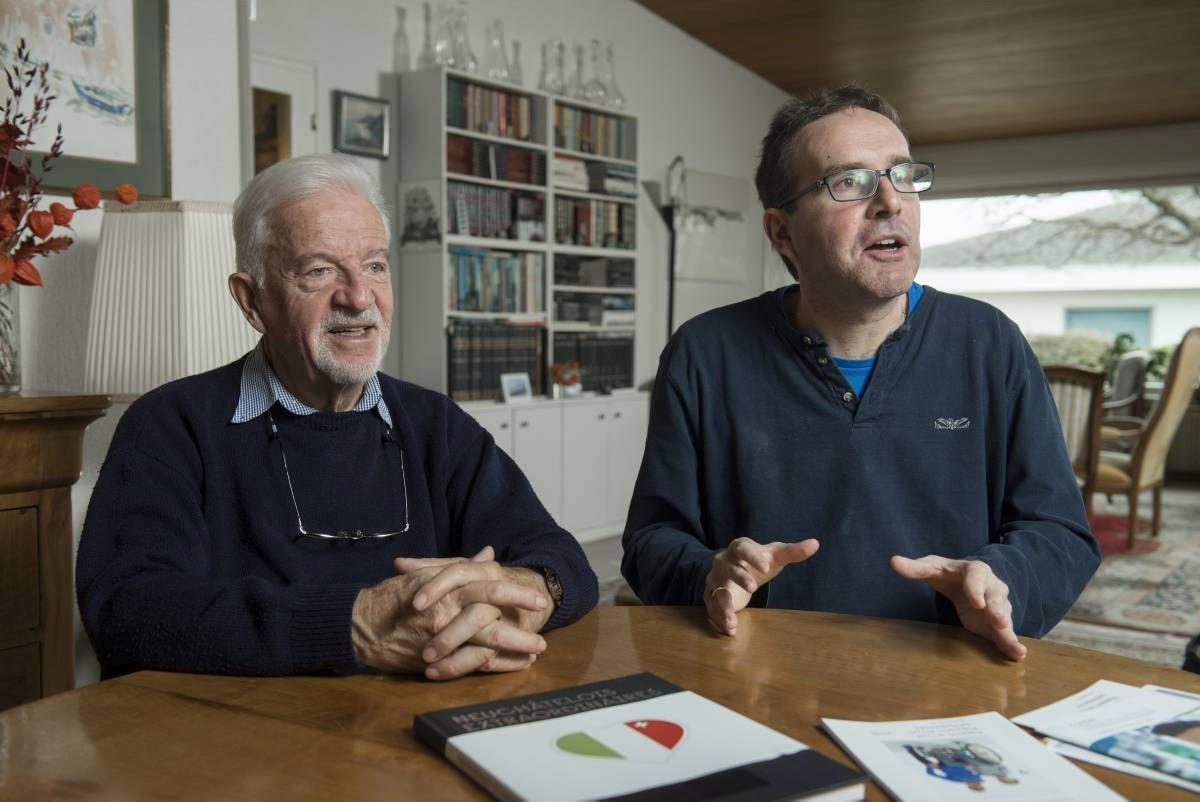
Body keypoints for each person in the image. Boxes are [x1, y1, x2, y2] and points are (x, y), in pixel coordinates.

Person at [621, 86, 1099, 660]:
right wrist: (711, 575)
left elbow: (1061, 534)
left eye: (902, 175)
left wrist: (1001, 579)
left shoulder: (989, 342)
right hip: (759, 678)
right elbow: (652, 540)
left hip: (947, 678)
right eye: (849, 182)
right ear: (781, 232)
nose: (890, 202)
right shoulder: (704, 352)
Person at [77, 154, 597, 681]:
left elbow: (561, 559)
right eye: (319, 270)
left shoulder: (434, 423)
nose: (358, 296)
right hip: (243, 743)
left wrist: (524, 590)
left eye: (374, 265)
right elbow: (128, 611)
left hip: (419, 730)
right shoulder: (169, 425)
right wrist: (355, 625)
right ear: (252, 300)